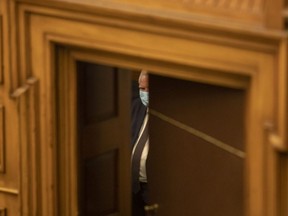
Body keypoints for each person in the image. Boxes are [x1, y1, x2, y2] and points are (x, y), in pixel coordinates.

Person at [131, 70, 149, 216]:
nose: (145, 93)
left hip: (154, 187)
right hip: (132, 185)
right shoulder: (136, 106)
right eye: (142, 89)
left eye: (149, 89)